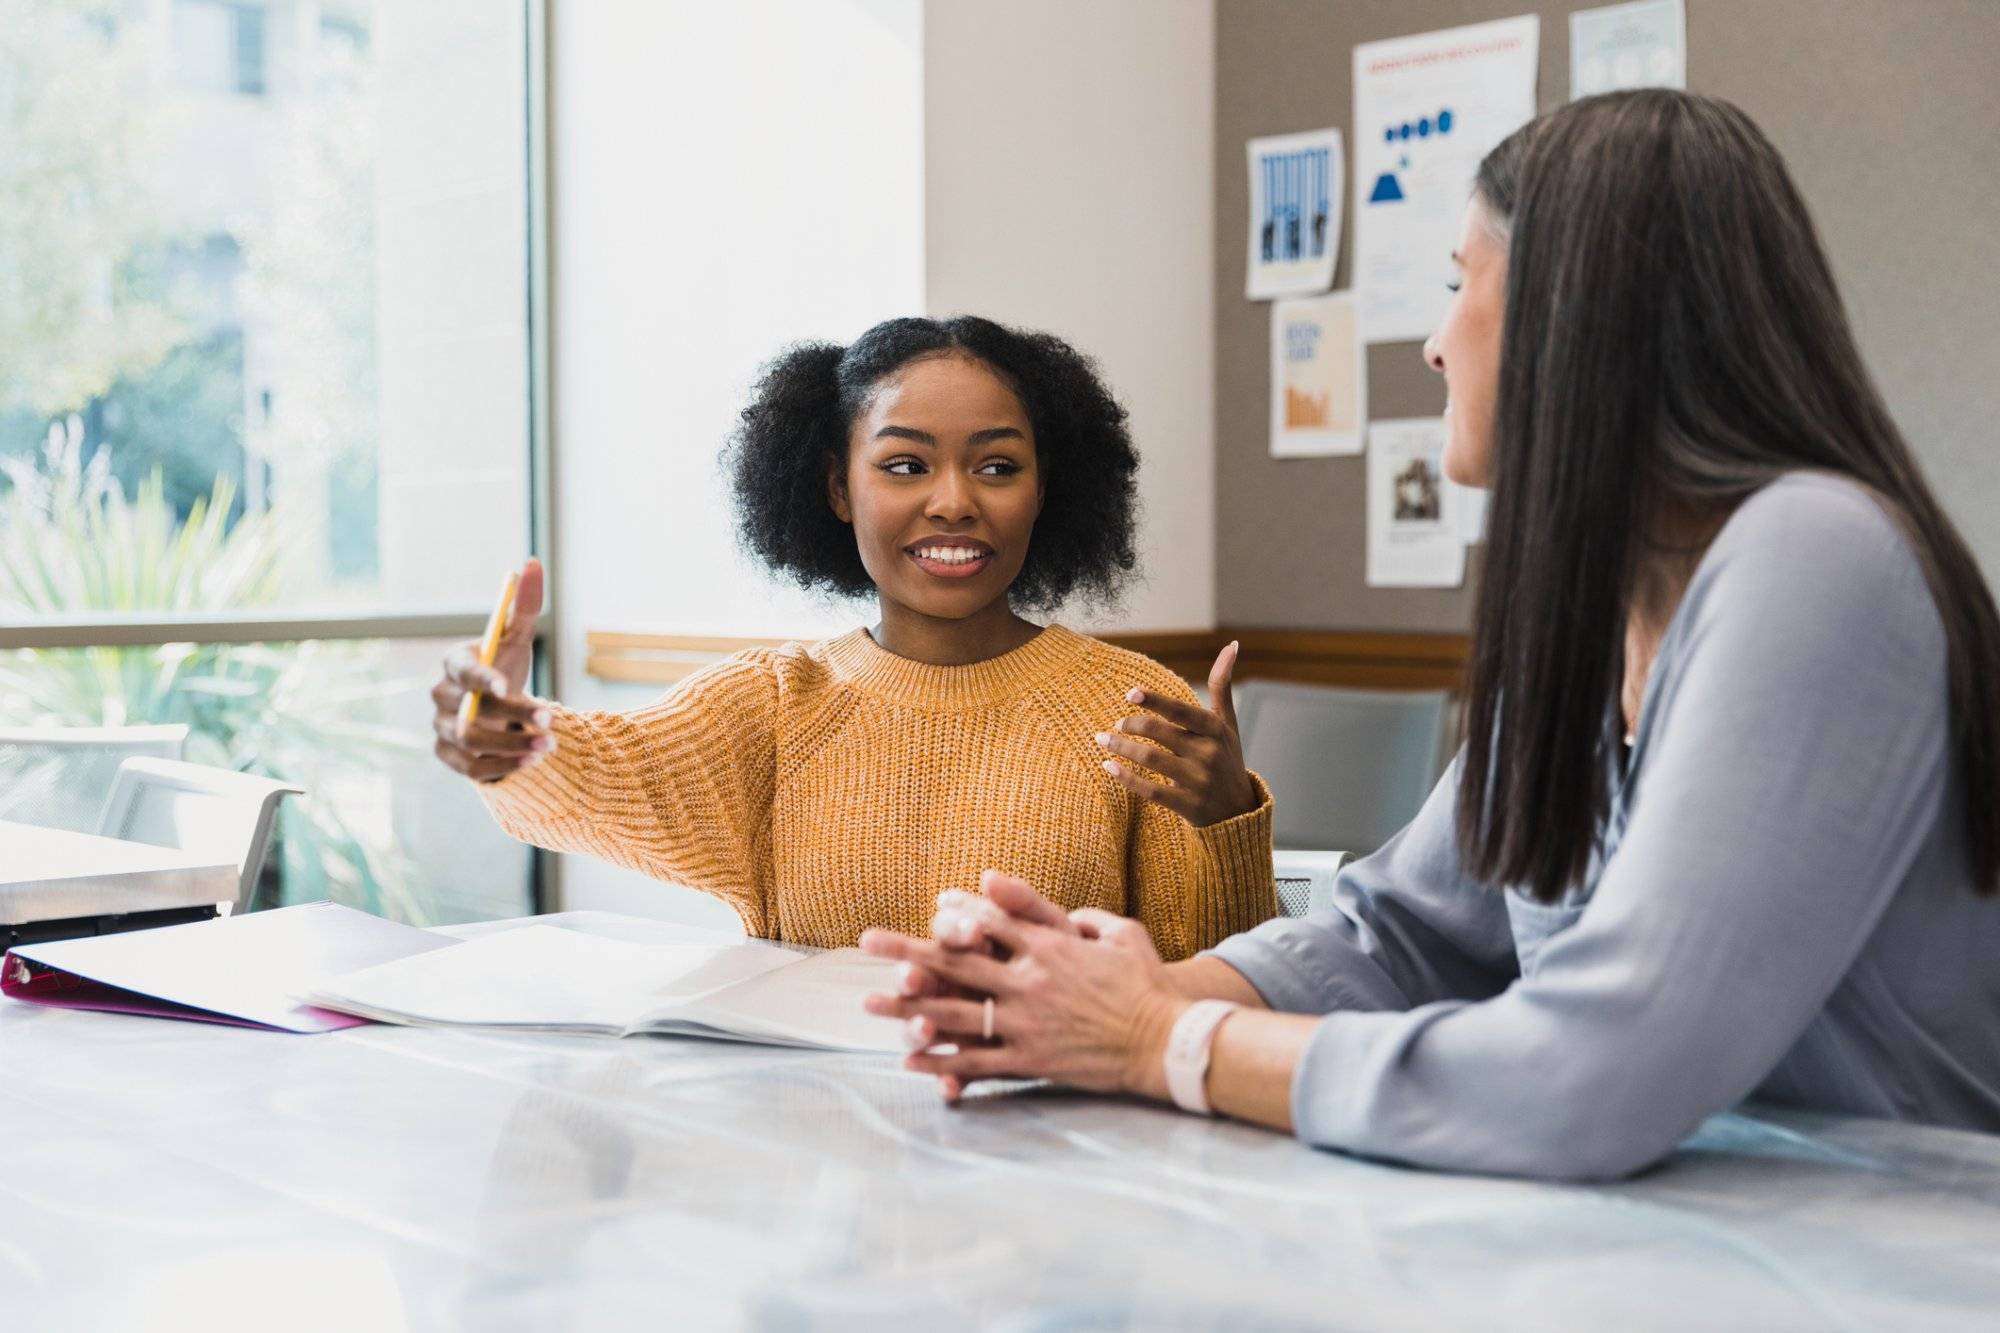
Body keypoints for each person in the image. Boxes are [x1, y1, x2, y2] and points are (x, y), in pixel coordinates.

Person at [861, 90, 2000, 1180]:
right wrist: (1100, 989)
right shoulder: (1592, 611)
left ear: (1572, 316)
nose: (1435, 344)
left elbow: (1592, 1075)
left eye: (1460, 283)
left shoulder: (1816, 556)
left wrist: (1157, 1042)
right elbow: (1396, 935)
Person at [429, 316, 1276, 956]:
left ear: (1047, 489)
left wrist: (1228, 818)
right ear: (839, 489)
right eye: (905, 465)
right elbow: (607, 769)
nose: (953, 501)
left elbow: (1218, 983)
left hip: (1057, 1148)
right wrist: (507, 739)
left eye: (997, 466)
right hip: (811, 1156)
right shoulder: (774, 704)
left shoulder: (1129, 706)